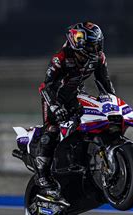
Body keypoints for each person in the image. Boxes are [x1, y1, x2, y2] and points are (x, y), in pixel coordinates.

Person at [35, 22, 115, 203]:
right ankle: (43, 176)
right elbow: (45, 87)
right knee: (52, 130)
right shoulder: (60, 58)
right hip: (54, 98)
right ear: (78, 42)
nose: (95, 48)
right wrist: (55, 107)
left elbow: (105, 82)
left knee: (91, 117)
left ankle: (82, 160)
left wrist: (111, 103)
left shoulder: (98, 58)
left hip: (76, 95)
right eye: (91, 44)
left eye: (97, 44)